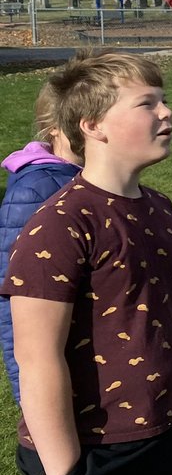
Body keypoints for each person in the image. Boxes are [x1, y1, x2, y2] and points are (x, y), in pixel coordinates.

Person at [1, 51, 172, 475]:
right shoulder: (60, 225)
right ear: (93, 126)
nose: (166, 113)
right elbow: (36, 356)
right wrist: (65, 473)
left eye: (164, 101)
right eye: (147, 104)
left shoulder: (159, 207)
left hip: (159, 431)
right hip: (89, 448)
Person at [0, 82, 84, 406]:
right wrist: (28, 395)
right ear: (52, 129)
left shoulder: (94, 175)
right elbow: (14, 299)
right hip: (61, 361)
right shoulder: (33, 192)